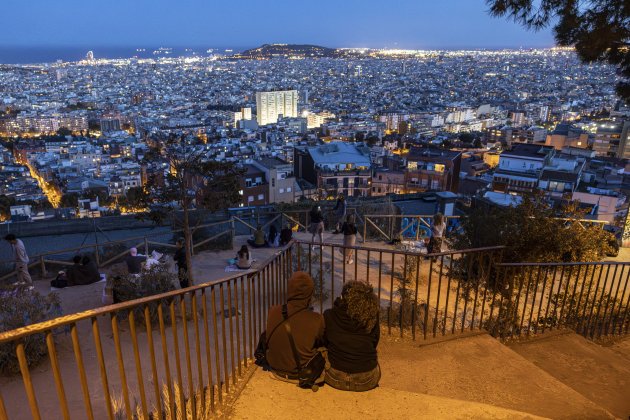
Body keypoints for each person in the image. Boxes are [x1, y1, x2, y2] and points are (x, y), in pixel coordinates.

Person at [265, 271, 325, 381]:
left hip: (275, 368)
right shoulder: (317, 319)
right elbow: (321, 341)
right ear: (310, 294)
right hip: (302, 372)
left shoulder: (273, 311)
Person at [323, 281, 380, 392]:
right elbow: (375, 341)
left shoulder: (329, 315)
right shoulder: (372, 317)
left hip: (334, 376)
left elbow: (325, 340)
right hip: (367, 379)